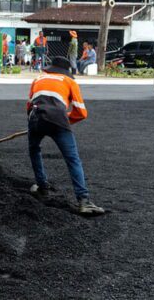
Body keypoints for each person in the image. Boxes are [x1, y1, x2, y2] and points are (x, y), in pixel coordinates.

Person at [27, 56, 105, 215]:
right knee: (72, 159)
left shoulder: (38, 79)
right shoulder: (70, 82)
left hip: (35, 118)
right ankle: (84, 201)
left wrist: (36, 123)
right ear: (66, 71)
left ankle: (42, 187)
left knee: (34, 150)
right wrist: (65, 119)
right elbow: (81, 112)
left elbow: (29, 106)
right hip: (58, 121)